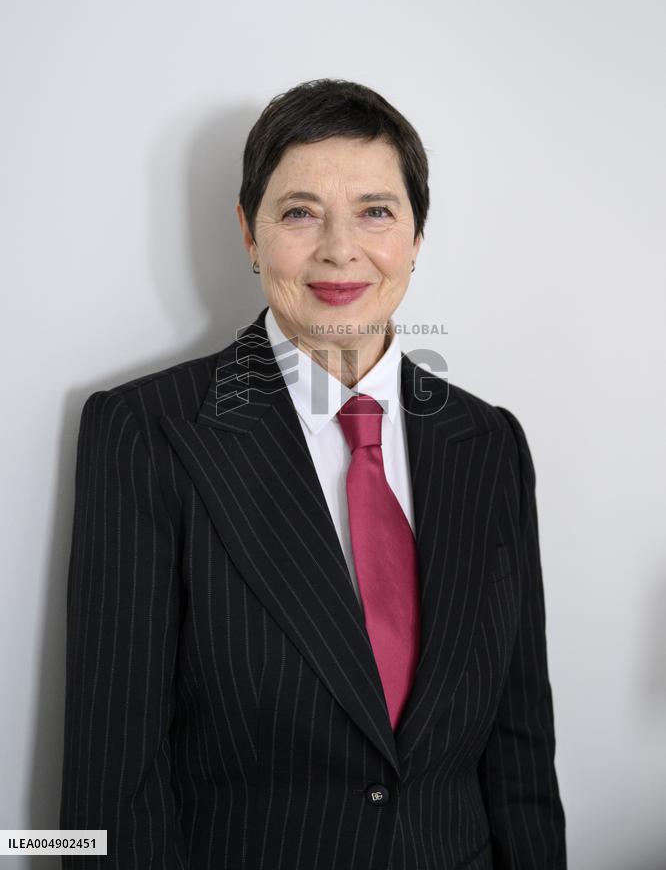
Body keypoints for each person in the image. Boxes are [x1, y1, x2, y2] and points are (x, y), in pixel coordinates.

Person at [59, 78, 567, 869]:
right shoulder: (147, 431)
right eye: (300, 212)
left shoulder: (490, 443)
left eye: (376, 210)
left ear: (416, 237)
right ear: (249, 233)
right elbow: (112, 775)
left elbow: (522, 752)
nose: (340, 248)